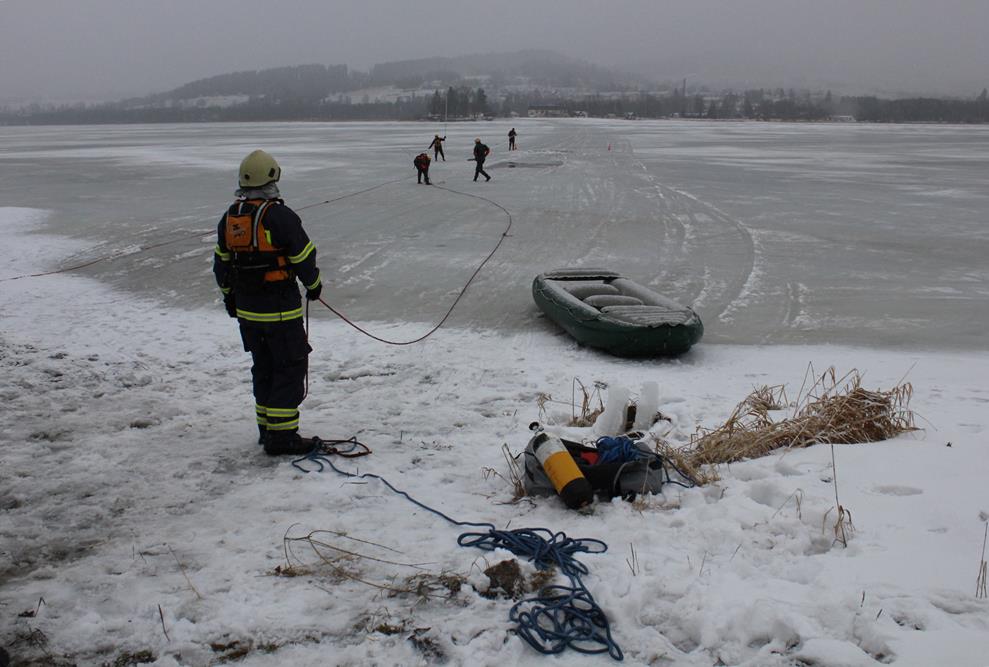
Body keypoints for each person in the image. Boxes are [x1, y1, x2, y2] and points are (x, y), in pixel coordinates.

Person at [213, 149, 323, 456]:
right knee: (289, 367)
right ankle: (282, 437)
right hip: (280, 312)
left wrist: (230, 298)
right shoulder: (279, 216)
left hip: (248, 313)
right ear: (271, 179)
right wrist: (314, 286)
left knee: (264, 367)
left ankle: (267, 429)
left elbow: (221, 265)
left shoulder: (230, 218)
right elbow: (303, 256)